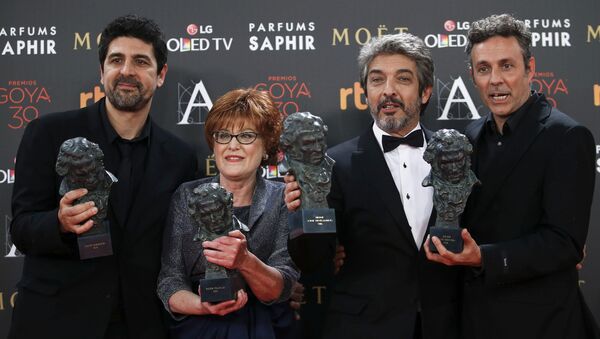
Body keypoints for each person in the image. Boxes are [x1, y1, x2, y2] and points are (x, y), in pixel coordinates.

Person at [8, 15, 198, 339]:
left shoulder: (179, 157)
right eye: (116, 60)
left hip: (141, 325)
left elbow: (183, 248)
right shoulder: (48, 134)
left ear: (161, 74)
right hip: (56, 322)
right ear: (102, 72)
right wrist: (59, 223)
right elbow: (21, 229)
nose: (127, 71)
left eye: (141, 61)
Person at [424, 14, 600, 339]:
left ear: (529, 69)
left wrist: (484, 257)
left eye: (507, 66)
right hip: (475, 321)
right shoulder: (471, 135)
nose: (495, 80)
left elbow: (565, 244)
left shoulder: (566, 136)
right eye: (484, 68)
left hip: (542, 323)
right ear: (472, 76)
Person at [285, 33, 461, 339]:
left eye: (403, 79)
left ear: (425, 91)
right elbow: (313, 261)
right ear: (366, 92)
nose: (388, 91)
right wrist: (301, 215)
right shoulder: (334, 164)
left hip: (447, 324)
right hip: (363, 327)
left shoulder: (456, 156)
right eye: (377, 80)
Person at [157, 88, 300, 339]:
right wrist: (202, 306)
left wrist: (245, 261)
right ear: (214, 144)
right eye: (223, 135)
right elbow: (170, 281)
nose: (233, 145)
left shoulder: (282, 198)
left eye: (246, 135)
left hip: (267, 328)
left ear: (266, 145)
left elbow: (282, 287)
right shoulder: (187, 196)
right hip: (199, 328)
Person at [279, 112, 334, 210]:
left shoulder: (335, 168)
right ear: (290, 145)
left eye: (320, 140)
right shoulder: (288, 168)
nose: (318, 148)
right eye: (308, 143)